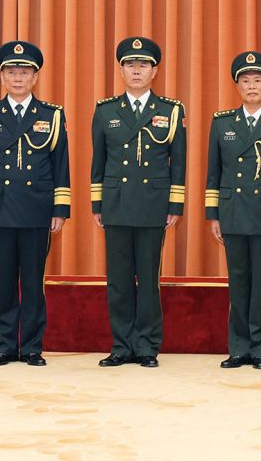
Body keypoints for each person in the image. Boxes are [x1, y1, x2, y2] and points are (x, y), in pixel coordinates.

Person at [0, 41, 70, 367]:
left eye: (24, 72)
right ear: (1, 76)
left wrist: (60, 208)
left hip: (37, 209)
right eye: (11, 72)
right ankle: (5, 344)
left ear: (35, 76)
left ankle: (31, 347)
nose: (17, 78)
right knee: (4, 281)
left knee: (33, 280)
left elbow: (61, 165)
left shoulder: (51, 115)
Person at [91, 36, 186, 368]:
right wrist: (97, 204)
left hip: (153, 204)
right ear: (121, 71)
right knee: (118, 280)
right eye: (130, 65)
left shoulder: (170, 111)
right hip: (116, 203)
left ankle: (146, 345)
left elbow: (179, 162)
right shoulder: (105, 111)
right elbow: (98, 162)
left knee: (148, 279)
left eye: (142, 65)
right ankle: (120, 345)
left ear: (154, 71)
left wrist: (175, 205)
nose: (136, 70)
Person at [205, 52, 261, 370]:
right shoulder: (222, 123)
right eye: (246, 80)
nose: (252, 85)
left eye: (258, 80)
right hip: (232, 213)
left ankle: (260, 347)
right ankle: (238, 347)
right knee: (238, 282)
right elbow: (213, 173)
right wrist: (213, 215)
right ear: (237, 86)